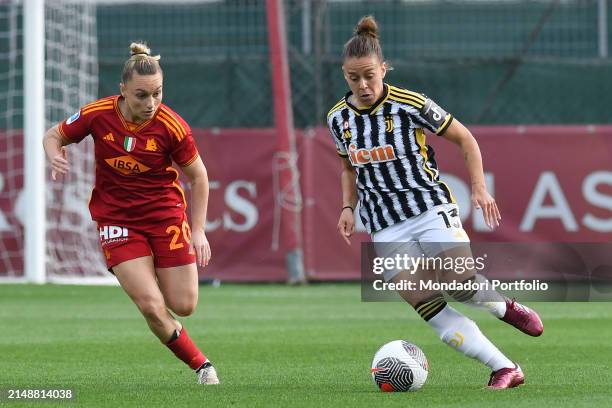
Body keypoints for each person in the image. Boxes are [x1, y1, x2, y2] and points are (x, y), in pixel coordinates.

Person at [327, 16, 543, 389]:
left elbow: (465, 139)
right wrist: (348, 207)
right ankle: (505, 367)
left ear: (383, 69)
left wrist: (478, 188)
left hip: (429, 209)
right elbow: (348, 167)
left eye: (369, 76)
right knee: (425, 303)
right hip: (384, 224)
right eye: (353, 78)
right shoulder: (338, 118)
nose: (362, 85)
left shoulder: (410, 104)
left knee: (460, 283)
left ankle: (505, 307)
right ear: (344, 76)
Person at [43, 42, 219, 385]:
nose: (151, 103)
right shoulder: (97, 114)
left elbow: (199, 177)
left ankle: (161, 291)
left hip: (165, 216)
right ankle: (202, 366)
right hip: (118, 221)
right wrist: (54, 153)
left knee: (183, 305)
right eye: (141, 95)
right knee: (152, 306)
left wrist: (198, 230)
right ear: (123, 90)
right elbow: (54, 135)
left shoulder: (173, 127)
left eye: (157, 93)